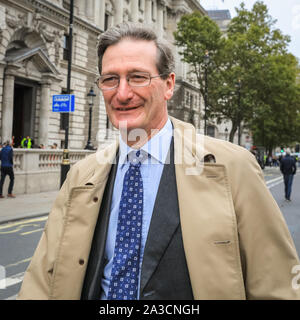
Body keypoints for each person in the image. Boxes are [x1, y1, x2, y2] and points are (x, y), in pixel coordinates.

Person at [18, 23, 300, 300]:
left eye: (138, 77)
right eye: (110, 79)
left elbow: (276, 285)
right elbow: (42, 281)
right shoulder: (81, 176)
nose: (123, 93)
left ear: (169, 85)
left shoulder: (233, 167)